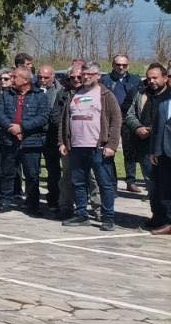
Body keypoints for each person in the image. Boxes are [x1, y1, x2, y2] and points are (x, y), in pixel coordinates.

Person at [57, 62, 122, 231]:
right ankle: (81, 214)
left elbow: (116, 120)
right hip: (76, 147)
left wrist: (112, 144)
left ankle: (108, 217)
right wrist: (62, 142)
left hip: (98, 148)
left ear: (98, 76)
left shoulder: (106, 95)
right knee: (78, 182)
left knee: (104, 184)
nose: (85, 77)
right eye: (83, 74)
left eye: (89, 74)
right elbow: (64, 120)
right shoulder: (74, 94)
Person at [0, 67, 50, 214]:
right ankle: (6, 201)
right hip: (9, 140)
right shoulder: (6, 95)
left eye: (15, 77)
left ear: (26, 80)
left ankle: (32, 205)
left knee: (32, 174)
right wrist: (11, 127)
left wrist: (22, 127)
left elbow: (43, 117)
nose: (12, 79)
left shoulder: (39, 96)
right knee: (8, 172)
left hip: (31, 141)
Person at [131, 63, 171, 234]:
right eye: (149, 78)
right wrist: (138, 127)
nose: (152, 81)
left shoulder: (168, 97)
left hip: (166, 148)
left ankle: (168, 220)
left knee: (167, 186)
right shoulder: (142, 94)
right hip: (150, 148)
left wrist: (153, 130)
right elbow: (130, 114)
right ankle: (159, 217)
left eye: (155, 77)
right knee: (154, 185)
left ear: (165, 78)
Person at [105, 56, 144, 194]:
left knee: (130, 151)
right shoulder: (105, 80)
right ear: (113, 65)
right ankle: (111, 181)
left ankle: (130, 181)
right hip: (110, 120)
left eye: (124, 65)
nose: (121, 67)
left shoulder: (135, 80)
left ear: (128, 65)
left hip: (128, 119)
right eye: (118, 64)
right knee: (109, 150)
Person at [37, 65, 66, 216]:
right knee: (33, 170)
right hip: (34, 134)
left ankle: (54, 199)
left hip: (52, 135)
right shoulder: (33, 89)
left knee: (53, 170)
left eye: (46, 77)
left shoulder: (60, 92)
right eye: (40, 77)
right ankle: (32, 199)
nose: (42, 80)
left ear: (53, 77)